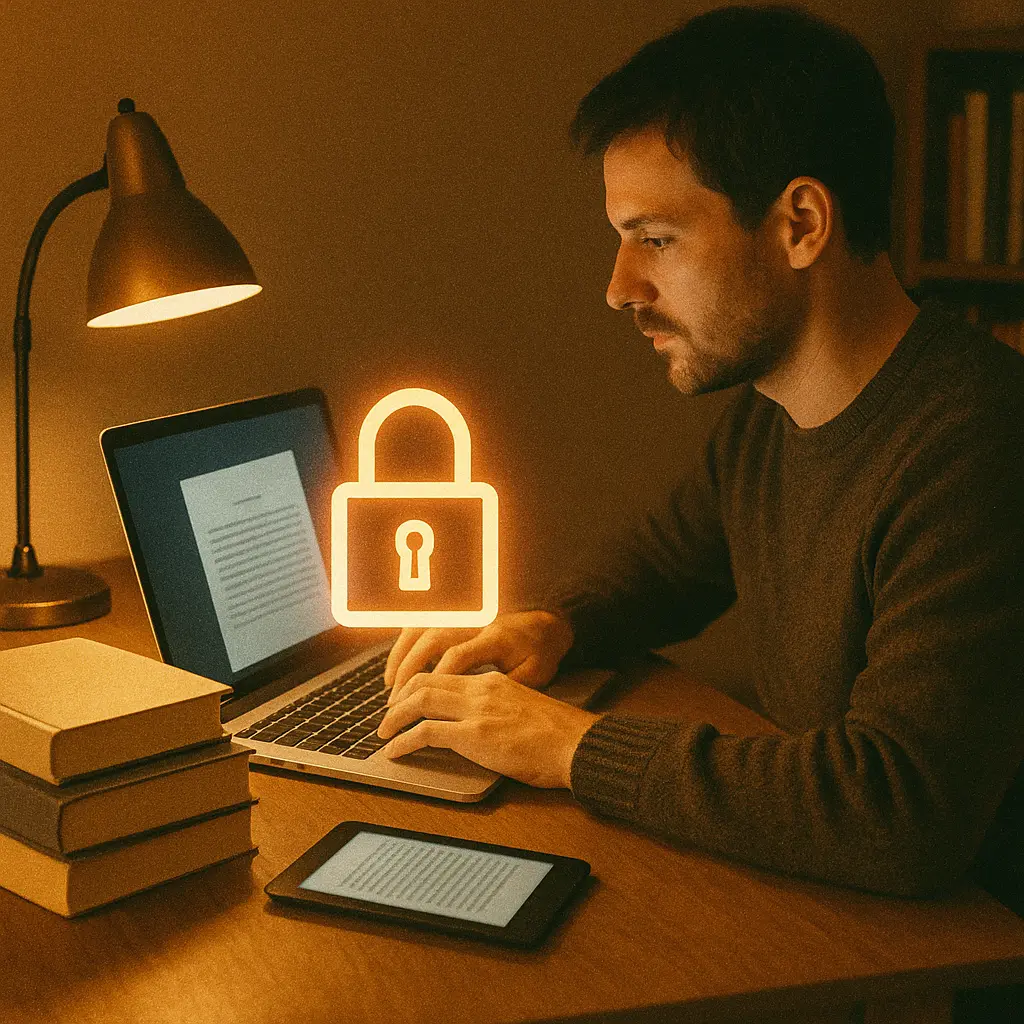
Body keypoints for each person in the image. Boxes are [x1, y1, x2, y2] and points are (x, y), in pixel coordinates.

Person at [376, 8, 1023, 1010]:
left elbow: (897, 807)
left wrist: (566, 745)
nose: (618, 287)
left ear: (799, 224)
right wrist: (551, 625)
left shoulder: (975, 441)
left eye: (657, 239)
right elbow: (669, 560)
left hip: (954, 974)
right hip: (846, 938)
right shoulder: (773, 417)